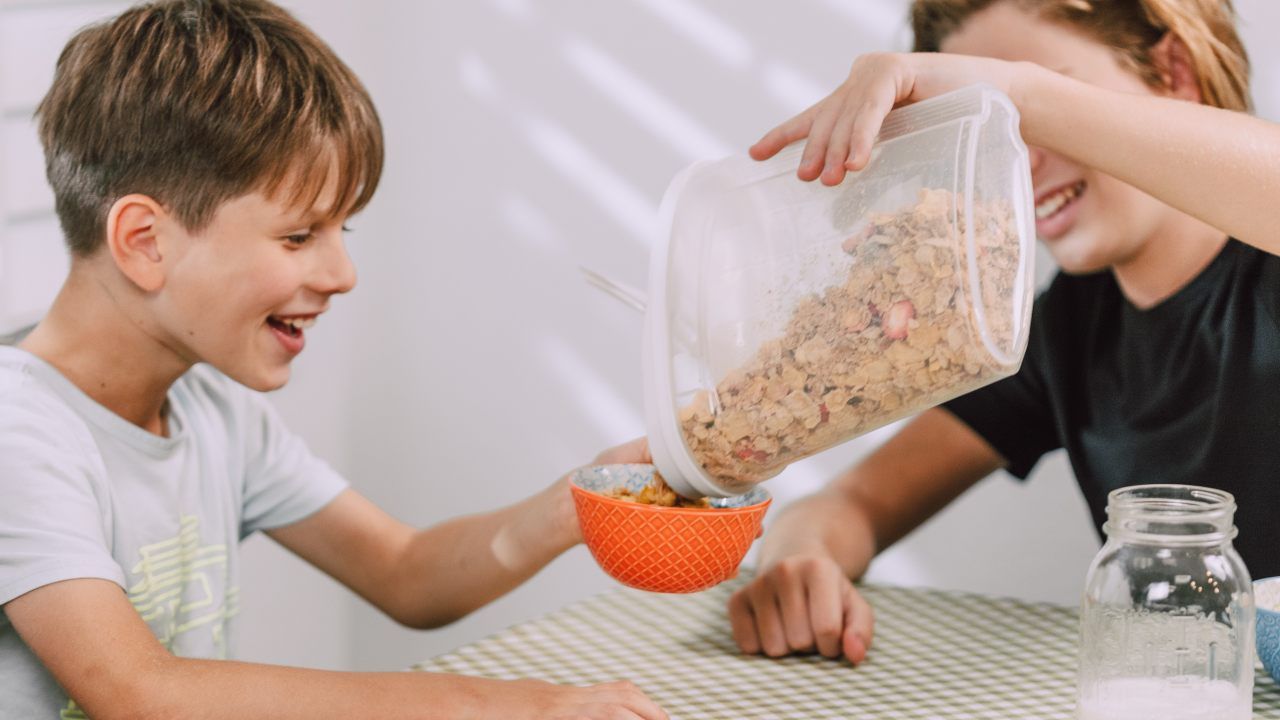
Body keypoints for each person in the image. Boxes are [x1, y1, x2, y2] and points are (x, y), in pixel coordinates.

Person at [0, 2, 667, 718]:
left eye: (341, 228)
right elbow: (139, 692)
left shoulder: (215, 412)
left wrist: (587, 500)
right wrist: (511, 707)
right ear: (144, 241)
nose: (343, 273)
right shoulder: (20, 433)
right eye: (298, 235)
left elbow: (408, 575)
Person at [727, 0, 1280, 665]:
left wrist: (1013, 90)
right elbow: (855, 503)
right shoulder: (1064, 327)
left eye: (1040, 109)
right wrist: (800, 561)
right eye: (990, 133)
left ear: (1174, 72)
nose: (1018, 163)